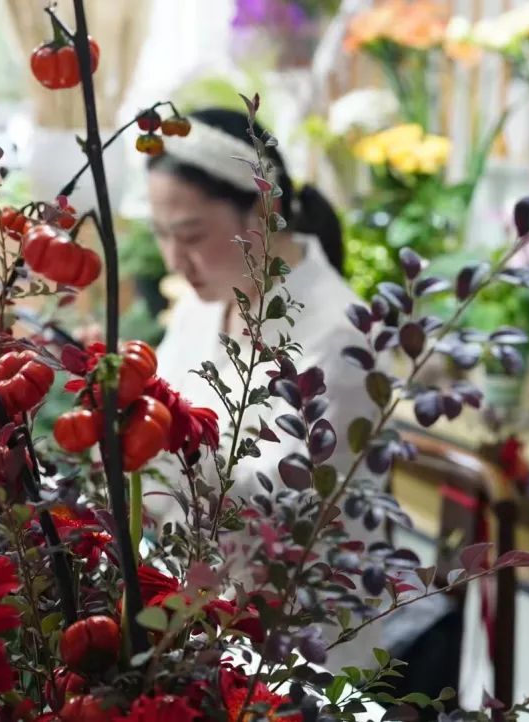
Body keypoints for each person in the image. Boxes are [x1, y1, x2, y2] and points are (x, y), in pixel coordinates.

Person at [144, 107, 382, 671]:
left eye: (192, 236)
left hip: (301, 638)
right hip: (198, 604)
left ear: (263, 213)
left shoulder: (341, 334)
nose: (175, 261)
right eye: (161, 235)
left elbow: (282, 509)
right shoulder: (209, 302)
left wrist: (150, 439)